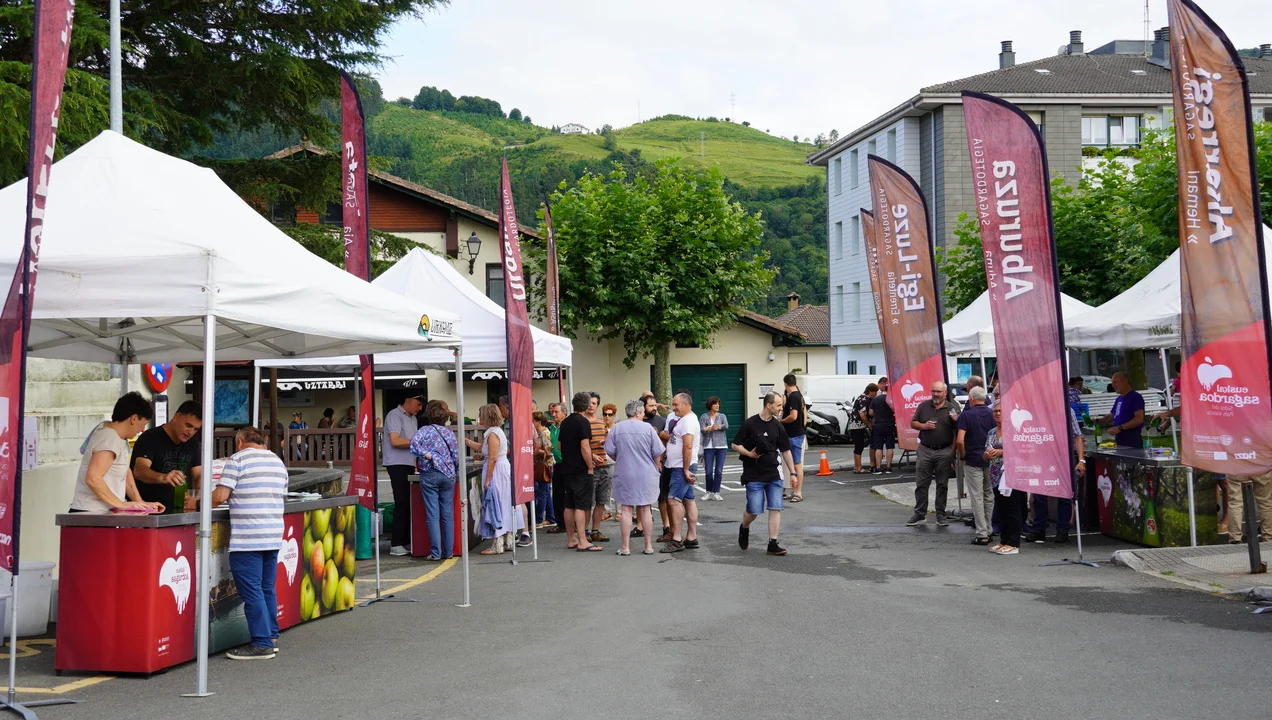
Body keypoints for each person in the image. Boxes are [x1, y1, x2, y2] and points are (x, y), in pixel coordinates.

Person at [215, 426, 288, 660]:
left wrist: (196, 502)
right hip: (273, 535)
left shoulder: (237, 460)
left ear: (239, 442)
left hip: (248, 538)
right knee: (266, 588)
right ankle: (271, 636)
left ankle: (261, 643)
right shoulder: (277, 462)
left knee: (252, 591)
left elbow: (220, 496)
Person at [70, 392, 164, 514]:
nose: (142, 430)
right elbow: (93, 478)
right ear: (134, 419)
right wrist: (121, 504)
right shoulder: (109, 438)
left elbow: (125, 472)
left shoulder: (120, 438)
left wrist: (140, 503)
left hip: (106, 512)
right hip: (91, 513)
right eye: (144, 424)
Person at [733, 391, 796, 556]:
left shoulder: (778, 426)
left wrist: (793, 473)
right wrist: (749, 454)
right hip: (753, 474)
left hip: (774, 473)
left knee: (775, 507)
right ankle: (744, 527)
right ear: (769, 405)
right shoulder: (750, 424)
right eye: (779, 405)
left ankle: (772, 543)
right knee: (754, 510)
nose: (781, 409)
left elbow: (786, 450)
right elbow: (735, 444)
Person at [605, 399, 665, 555]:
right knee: (645, 508)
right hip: (646, 472)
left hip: (625, 471)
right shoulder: (648, 428)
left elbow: (609, 450)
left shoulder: (617, 428)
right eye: (643, 411)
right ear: (638, 412)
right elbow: (657, 451)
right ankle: (648, 546)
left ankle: (625, 547)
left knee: (626, 508)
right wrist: (656, 466)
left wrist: (621, 458)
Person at [1024, 406, 1087, 544]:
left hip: (1063, 457)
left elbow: (1077, 435)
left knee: (1064, 494)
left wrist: (1081, 460)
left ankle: (1063, 530)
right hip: (1041, 457)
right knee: (1039, 494)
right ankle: (1039, 529)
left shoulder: (1066, 408)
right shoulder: (1036, 408)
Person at [130, 400, 203, 513]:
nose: (190, 432)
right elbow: (139, 470)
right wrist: (163, 477)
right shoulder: (150, 437)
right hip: (147, 509)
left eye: (195, 429)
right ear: (176, 417)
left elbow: (199, 474)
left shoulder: (193, 444)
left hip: (179, 510)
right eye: (188, 425)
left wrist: (198, 497)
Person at [410, 402, 459, 561]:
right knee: (447, 514)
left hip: (430, 473)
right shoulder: (449, 433)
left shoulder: (424, 431)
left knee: (433, 515)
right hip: (448, 474)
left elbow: (413, 444)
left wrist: (427, 454)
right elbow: (456, 456)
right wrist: (455, 471)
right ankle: (448, 552)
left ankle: (436, 553)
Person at [907, 381, 960, 527]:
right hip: (925, 449)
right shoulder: (923, 406)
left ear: (945, 392)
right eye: (933, 391)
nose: (935, 394)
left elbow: (957, 431)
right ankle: (919, 514)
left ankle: (940, 515)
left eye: (938, 392)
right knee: (921, 483)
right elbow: (913, 423)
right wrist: (924, 426)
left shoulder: (952, 408)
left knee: (942, 484)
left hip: (944, 450)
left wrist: (952, 451)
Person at [477, 404, 525, 554]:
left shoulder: (492, 434)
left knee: (495, 504)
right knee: (505, 503)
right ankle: (508, 540)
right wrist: (467, 442)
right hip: (503, 469)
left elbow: (493, 458)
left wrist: (487, 479)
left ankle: (497, 543)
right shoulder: (497, 431)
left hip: (496, 471)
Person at [558, 392, 601, 551]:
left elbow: (560, 446)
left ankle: (571, 538)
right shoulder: (583, 422)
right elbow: (584, 446)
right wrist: (590, 466)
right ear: (586, 405)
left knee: (569, 504)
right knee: (581, 505)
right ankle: (583, 540)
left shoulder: (565, 422)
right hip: (580, 469)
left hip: (566, 467)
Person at [661, 393, 702, 553]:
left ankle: (677, 539)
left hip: (681, 467)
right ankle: (691, 537)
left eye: (676, 404)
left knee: (674, 500)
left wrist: (685, 469)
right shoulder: (685, 420)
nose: (673, 408)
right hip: (678, 466)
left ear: (686, 404)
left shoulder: (688, 421)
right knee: (688, 500)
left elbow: (688, 446)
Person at [383, 394, 423, 556]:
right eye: (418, 404)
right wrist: (418, 443)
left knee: (409, 503)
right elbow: (395, 440)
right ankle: (396, 543)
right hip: (396, 463)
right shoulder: (394, 414)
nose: (420, 408)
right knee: (401, 502)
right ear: (409, 400)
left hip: (409, 462)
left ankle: (405, 540)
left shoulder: (413, 418)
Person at [956, 386, 996, 545]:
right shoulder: (993, 414)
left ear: (972, 398)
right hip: (991, 457)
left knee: (977, 496)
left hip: (973, 458)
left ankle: (981, 533)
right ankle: (989, 528)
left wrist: (962, 456)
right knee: (989, 495)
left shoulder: (966, 415)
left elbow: (960, 440)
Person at [985, 404, 1025, 555]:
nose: (997, 413)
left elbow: (1021, 450)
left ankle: (1013, 543)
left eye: (1000, 411)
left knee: (1012, 508)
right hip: (995, 475)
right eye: (995, 411)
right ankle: (1004, 540)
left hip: (1011, 474)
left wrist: (1001, 452)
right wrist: (986, 455)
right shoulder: (991, 432)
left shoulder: (1015, 430)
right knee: (1001, 508)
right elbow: (986, 452)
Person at [584, 393, 612, 543]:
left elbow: (608, 442)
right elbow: (581, 445)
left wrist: (606, 442)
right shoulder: (583, 422)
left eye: (594, 403)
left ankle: (595, 530)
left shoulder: (602, 423)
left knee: (602, 500)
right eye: (589, 403)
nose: (591, 405)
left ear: (597, 406)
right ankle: (585, 532)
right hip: (589, 467)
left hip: (604, 465)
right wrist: (592, 456)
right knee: (588, 502)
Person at [1098, 372, 1144, 448]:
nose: (1113, 385)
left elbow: (1139, 419)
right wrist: (1096, 421)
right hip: (1119, 440)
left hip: (1132, 441)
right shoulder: (1119, 399)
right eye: (1112, 383)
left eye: (1115, 382)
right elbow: (1111, 416)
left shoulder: (1135, 397)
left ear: (1125, 381)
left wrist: (1120, 428)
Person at [779, 374, 807, 502]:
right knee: (794, 463)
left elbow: (793, 416)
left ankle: (798, 493)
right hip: (796, 433)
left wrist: (781, 421)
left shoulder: (794, 397)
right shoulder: (799, 396)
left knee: (797, 464)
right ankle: (795, 491)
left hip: (794, 435)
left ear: (785, 384)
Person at [1226, 473, 1272, 544]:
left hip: (1237, 469)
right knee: (1265, 503)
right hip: (1261, 469)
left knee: (1235, 502)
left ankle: (1235, 538)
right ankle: (1268, 539)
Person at [699, 397, 729, 501]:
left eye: (718, 404)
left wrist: (719, 427)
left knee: (719, 470)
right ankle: (708, 491)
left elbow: (726, 426)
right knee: (708, 471)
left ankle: (717, 492)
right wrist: (708, 429)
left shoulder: (722, 416)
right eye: (715, 404)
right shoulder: (704, 416)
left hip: (721, 446)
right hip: (708, 446)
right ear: (710, 405)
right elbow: (701, 429)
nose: (717, 406)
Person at [547, 402, 570, 535]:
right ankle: (560, 523)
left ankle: (570, 523)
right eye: (553, 412)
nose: (554, 414)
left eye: (556, 412)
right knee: (557, 495)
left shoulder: (567, 426)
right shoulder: (552, 427)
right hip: (557, 463)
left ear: (564, 413)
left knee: (568, 494)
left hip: (568, 463)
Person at [532, 411, 556, 528]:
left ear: (538, 422)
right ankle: (551, 518)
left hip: (546, 465)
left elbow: (550, 451)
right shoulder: (540, 432)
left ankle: (539, 520)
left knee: (542, 492)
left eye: (533, 421)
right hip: (545, 464)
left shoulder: (544, 433)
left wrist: (537, 451)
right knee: (545, 492)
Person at [849, 384, 878, 474]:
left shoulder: (861, 398)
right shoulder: (864, 399)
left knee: (858, 446)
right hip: (857, 426)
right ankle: (858, 468)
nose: (875, 395)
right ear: (870, 392)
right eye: (875, 392)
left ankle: (856, 467)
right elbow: (862, 415)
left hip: (855, 425)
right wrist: (869, 424)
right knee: (859, 446)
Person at [869, 383, 896, 475]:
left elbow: (870, 412)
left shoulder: (876, 399)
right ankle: (888, 467)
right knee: (890, 447)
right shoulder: (892, 400)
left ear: (884, 389)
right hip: (890, 425)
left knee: (878, 447)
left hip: (878, 425)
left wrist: (878, 413)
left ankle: (878, 467)